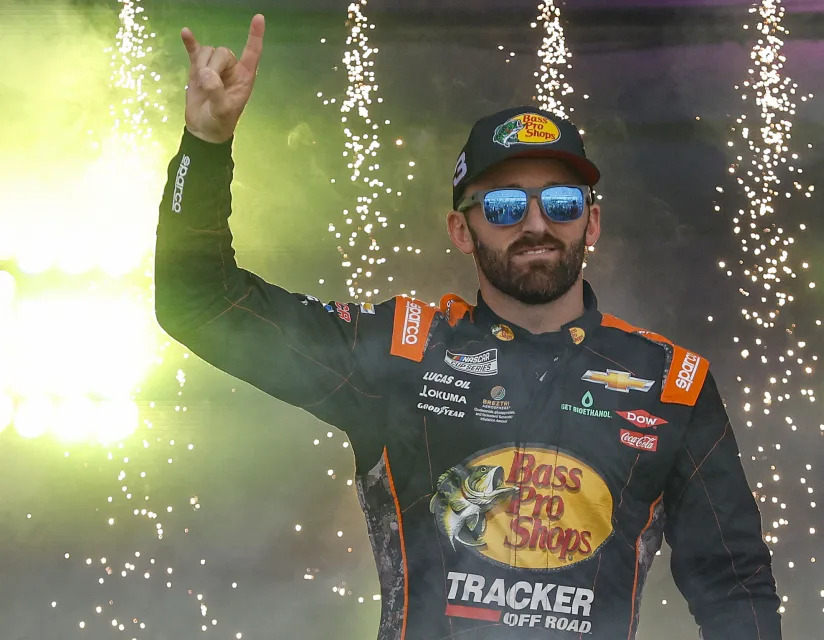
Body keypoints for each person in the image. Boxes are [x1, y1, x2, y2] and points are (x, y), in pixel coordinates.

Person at [155, 13, 782, 640]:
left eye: (560, 203)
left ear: (591, 224)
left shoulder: (672, 383)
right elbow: (201, 303)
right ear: (463, 230)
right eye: (506, 205)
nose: (536, 223)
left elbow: (735, 586)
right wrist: (204, 150)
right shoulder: (403, 353)